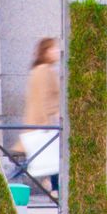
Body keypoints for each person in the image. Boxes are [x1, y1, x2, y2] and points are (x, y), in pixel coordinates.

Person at [16, 37, 62, 189]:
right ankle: (57, 190)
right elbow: (43, 100)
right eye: (53, 49)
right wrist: (48, 122)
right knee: (48, 160)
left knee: (50, 161)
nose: (57, 52)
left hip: (43, 125)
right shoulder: (44, 71)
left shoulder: (42, 70)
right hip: (44, 125)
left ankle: (56, 189)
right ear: (45, 52)